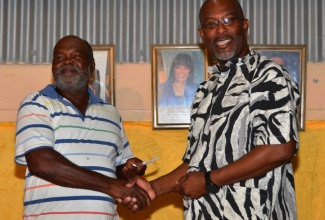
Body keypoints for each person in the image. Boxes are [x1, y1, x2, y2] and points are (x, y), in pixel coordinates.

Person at [124, 0, 300, 219]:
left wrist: (209, 180)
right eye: (211, 24)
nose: (220, 29)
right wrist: (152, 189)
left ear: (245, 25)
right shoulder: (206, 90)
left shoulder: (269, 76)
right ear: (202, 33)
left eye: (228, 20)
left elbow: (280, 148)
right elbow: (195, 162)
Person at [14, 35, 150, 219]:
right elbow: (41, 162)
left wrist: (127, 171)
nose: (67, 62)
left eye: (76, 56)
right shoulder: (37, 103)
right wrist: (112, 186)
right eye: (59, 58)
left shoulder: (111, 113)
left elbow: (116, 170)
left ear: (92, 66)